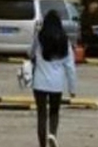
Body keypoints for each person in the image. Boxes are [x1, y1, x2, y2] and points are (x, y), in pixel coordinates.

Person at [30, 10, 77, 147]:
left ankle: (42, 144)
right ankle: (53, 134)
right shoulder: (65, 40)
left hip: (39, 82)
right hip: (56, 84)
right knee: (54, 112)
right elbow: (70, 67)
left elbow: (30, 52)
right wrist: (72, 88)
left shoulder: (40, 37)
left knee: (41, 114)